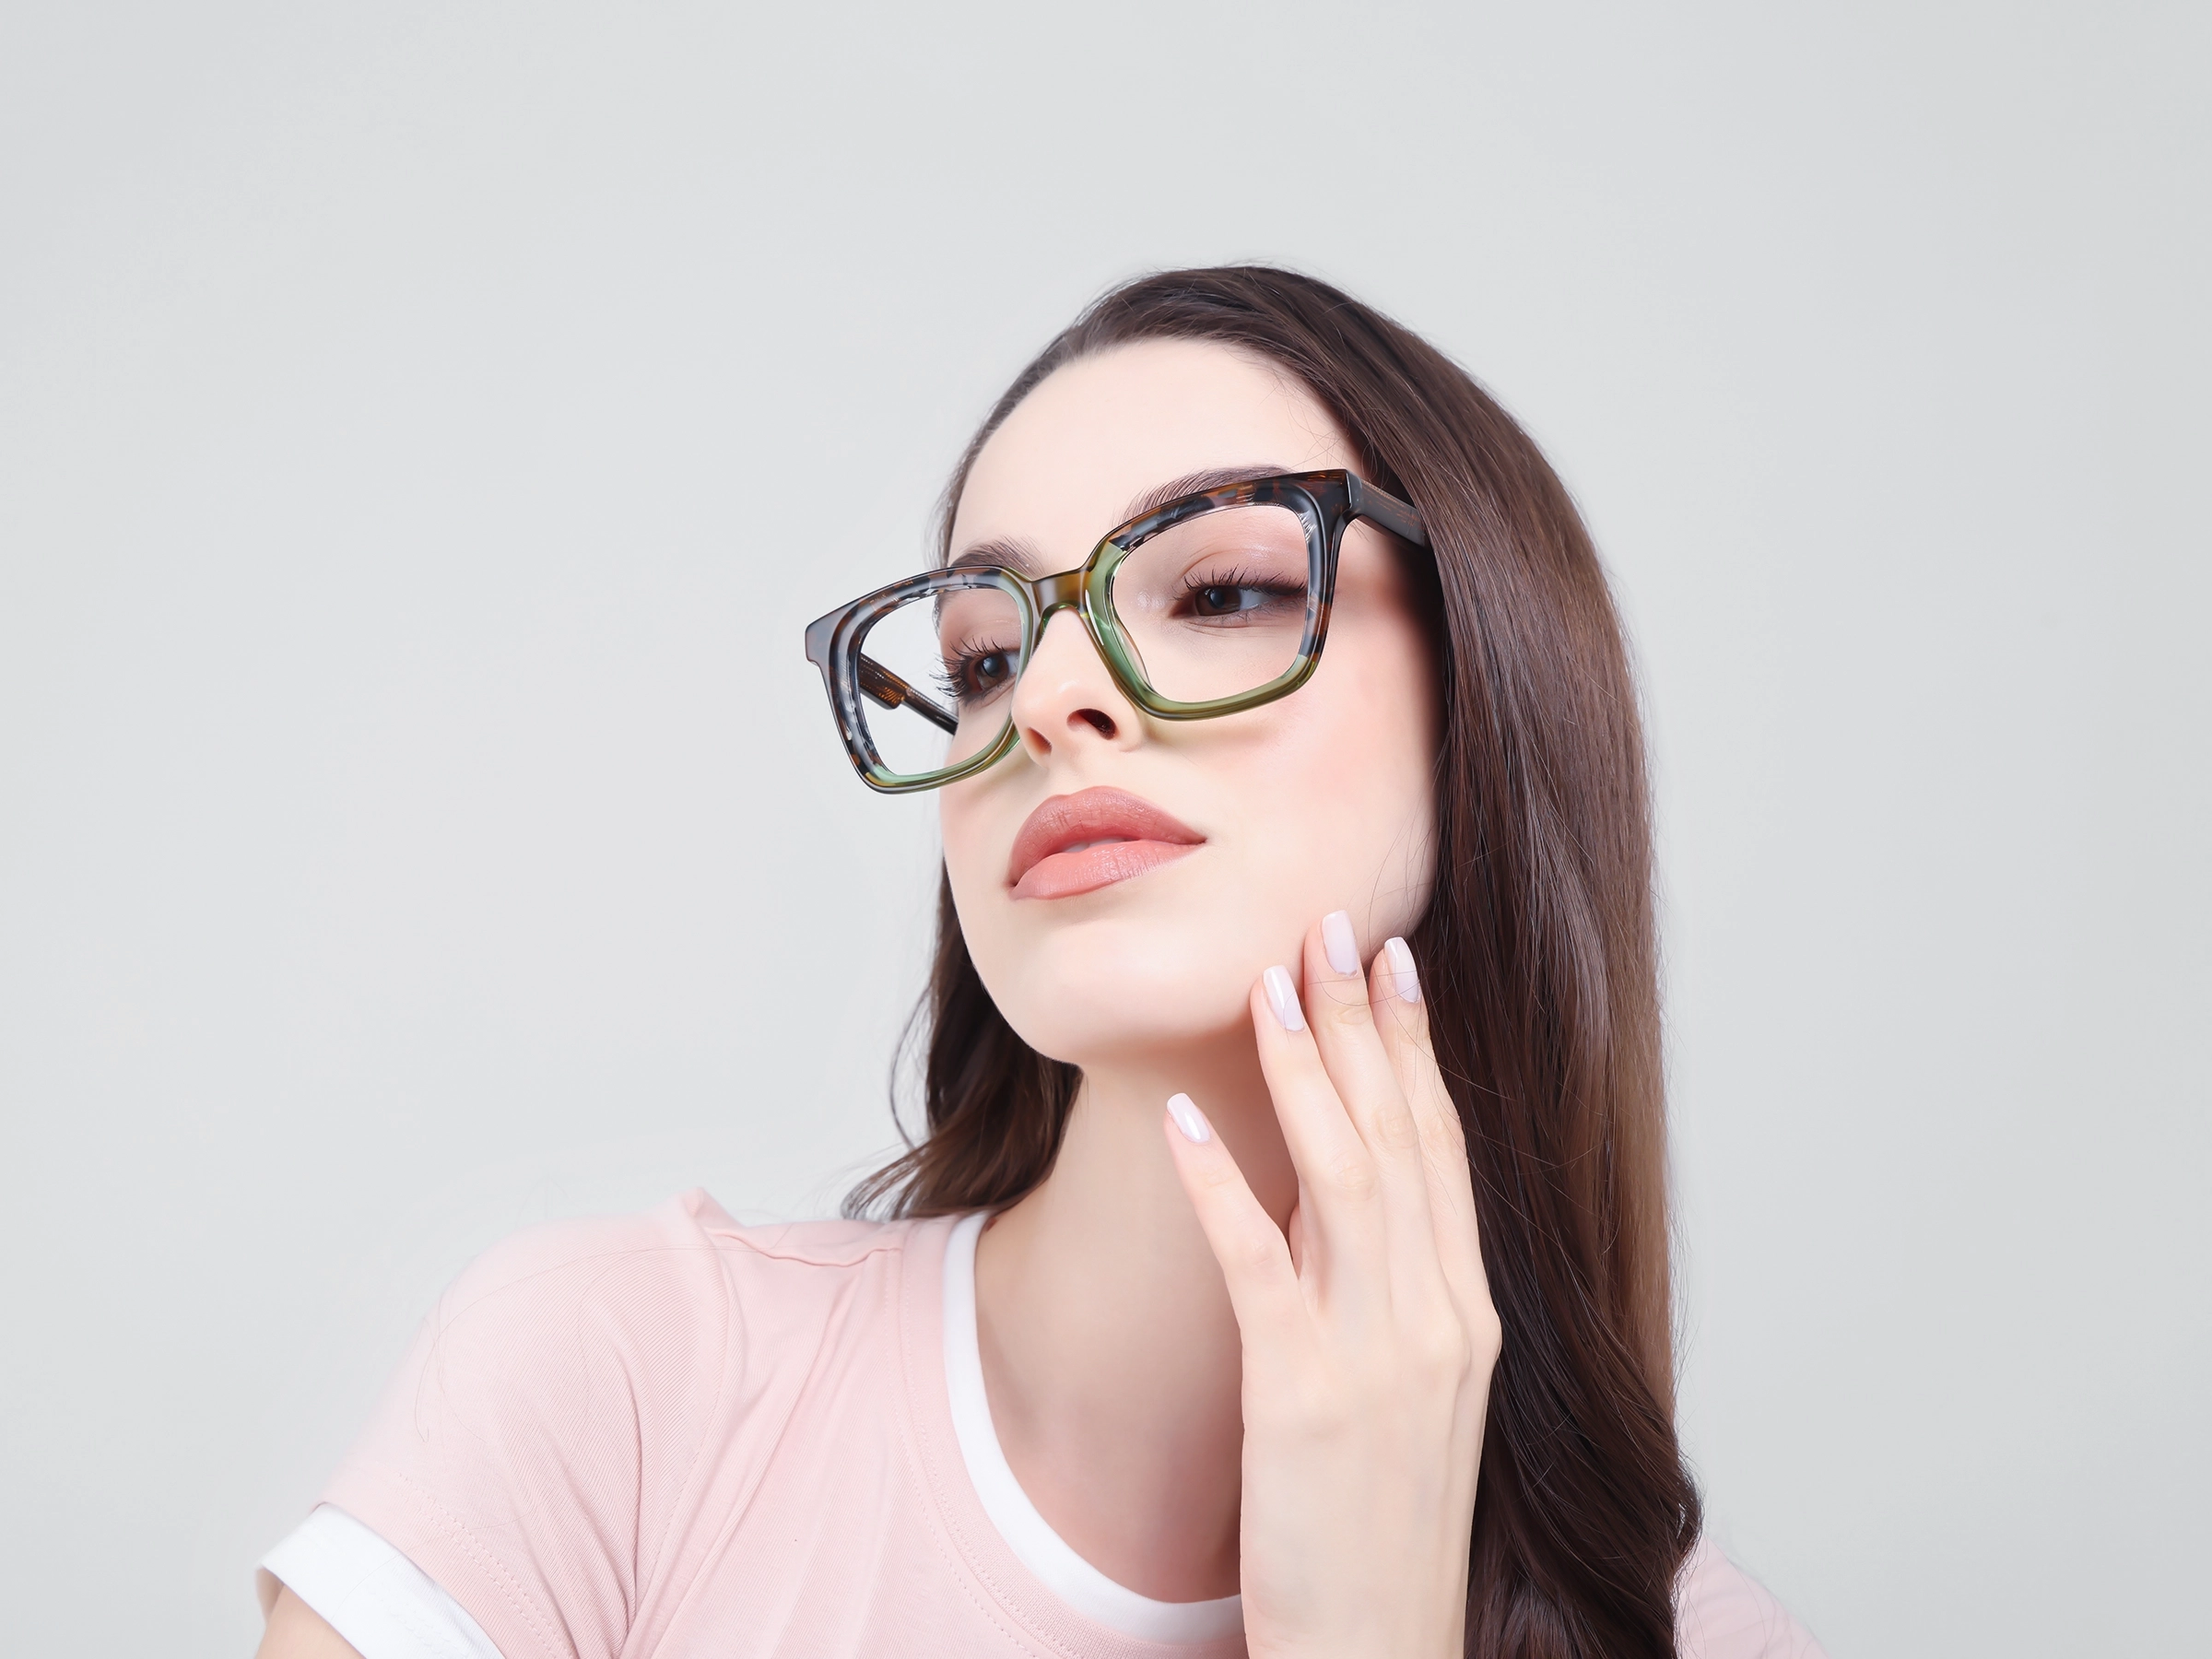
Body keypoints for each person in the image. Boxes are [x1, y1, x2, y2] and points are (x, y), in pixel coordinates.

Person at [253, 266, 1826, 1659]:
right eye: (984, 658)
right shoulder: (614, 1387)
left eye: (1222, 591)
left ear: (1494, 691)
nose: (1053, 698)